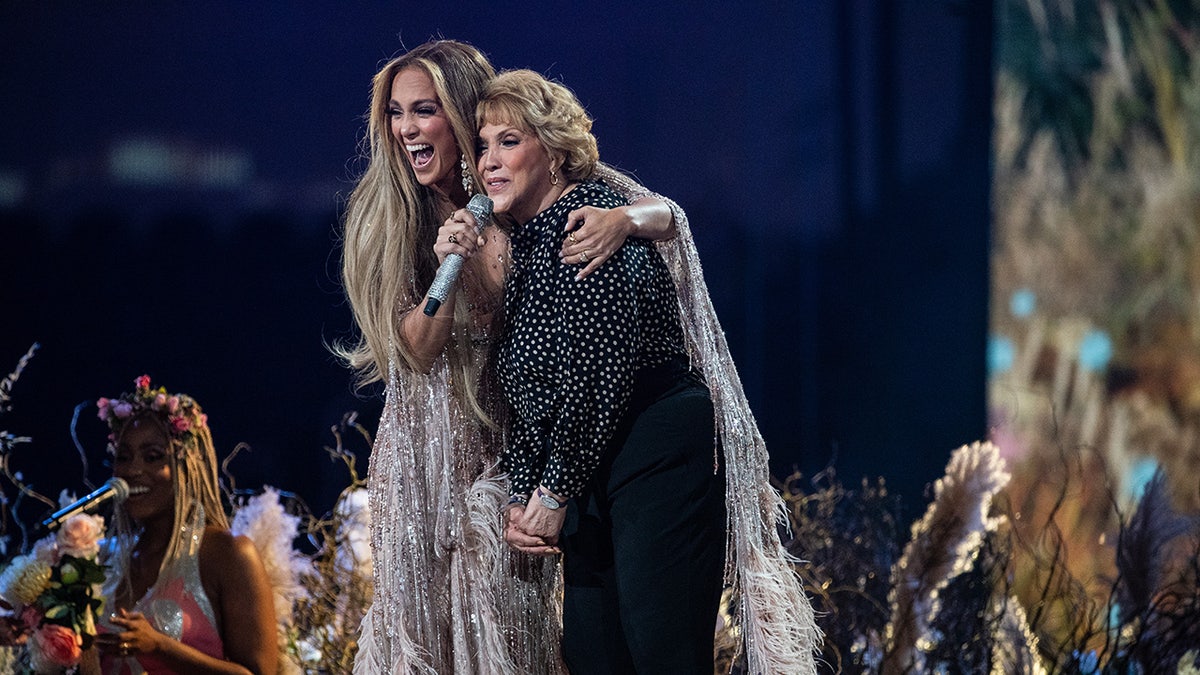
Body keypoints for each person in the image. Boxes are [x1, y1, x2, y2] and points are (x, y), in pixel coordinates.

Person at [335, 40, 681, 674]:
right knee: (427, 637)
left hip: (517, 442)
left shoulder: (517, 187)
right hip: (428, 451)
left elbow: (671, 216)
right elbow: (410, 352)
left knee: (514, 634)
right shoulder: (386, 217)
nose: (407, 128)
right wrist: (450, 264)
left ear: (465, 116)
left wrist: (625, 220)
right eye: (395, 112)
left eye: (425, 110)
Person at [474, 70, 821, 673]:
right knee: (593, 656)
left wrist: (551, 490)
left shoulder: (591, 223)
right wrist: (525, 492)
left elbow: (597, 375)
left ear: (554, 151)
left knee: (659, 651)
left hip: (654, 452)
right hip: (589, 465)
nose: (489, 161)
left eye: (509, 141)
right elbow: (531, 386)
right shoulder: (525, 245)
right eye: (482, 145)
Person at [82, 375, 278, 675]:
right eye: (124, 457)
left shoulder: (228, 554)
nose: (133, 470)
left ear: (187, 465)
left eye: (153, 457)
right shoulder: (105, 560)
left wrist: (162, 647)